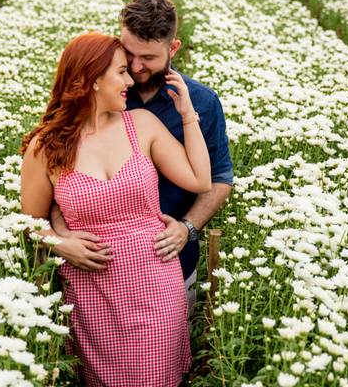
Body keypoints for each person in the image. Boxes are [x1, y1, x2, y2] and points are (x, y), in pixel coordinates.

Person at [20, 32, 211, 386]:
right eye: (121, 72)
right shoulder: (45, 147)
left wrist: (188, 115)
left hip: (155, 278)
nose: (130, 80)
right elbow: (31, 222)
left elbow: (201, 179)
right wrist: (61, 244)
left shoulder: (141, 124)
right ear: (92, 81)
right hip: (91, 291)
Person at [51, 0, 234, 317]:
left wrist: (187, 228)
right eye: (129, 54)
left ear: (173, 47)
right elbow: (59, 179)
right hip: (94, 268)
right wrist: (59, 236)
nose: (135, 67)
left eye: (147, 58)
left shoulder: (203, 103)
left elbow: (218, 180)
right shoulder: (105, 94)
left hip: (170, 261)